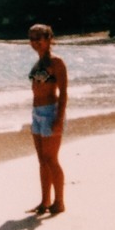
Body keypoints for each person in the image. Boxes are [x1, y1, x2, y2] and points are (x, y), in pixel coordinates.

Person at [27, 23, 68, 215]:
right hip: (36, 114)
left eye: (39, 38)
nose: (35, 42)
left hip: (51, 112)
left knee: (51, 160)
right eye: (32, 38)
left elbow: (64, 92)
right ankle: (45, 201)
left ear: (49, 39)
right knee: (42, 160)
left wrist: (59, 119)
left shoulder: (56, 62)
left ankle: (59, 202)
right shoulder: (38, 64)